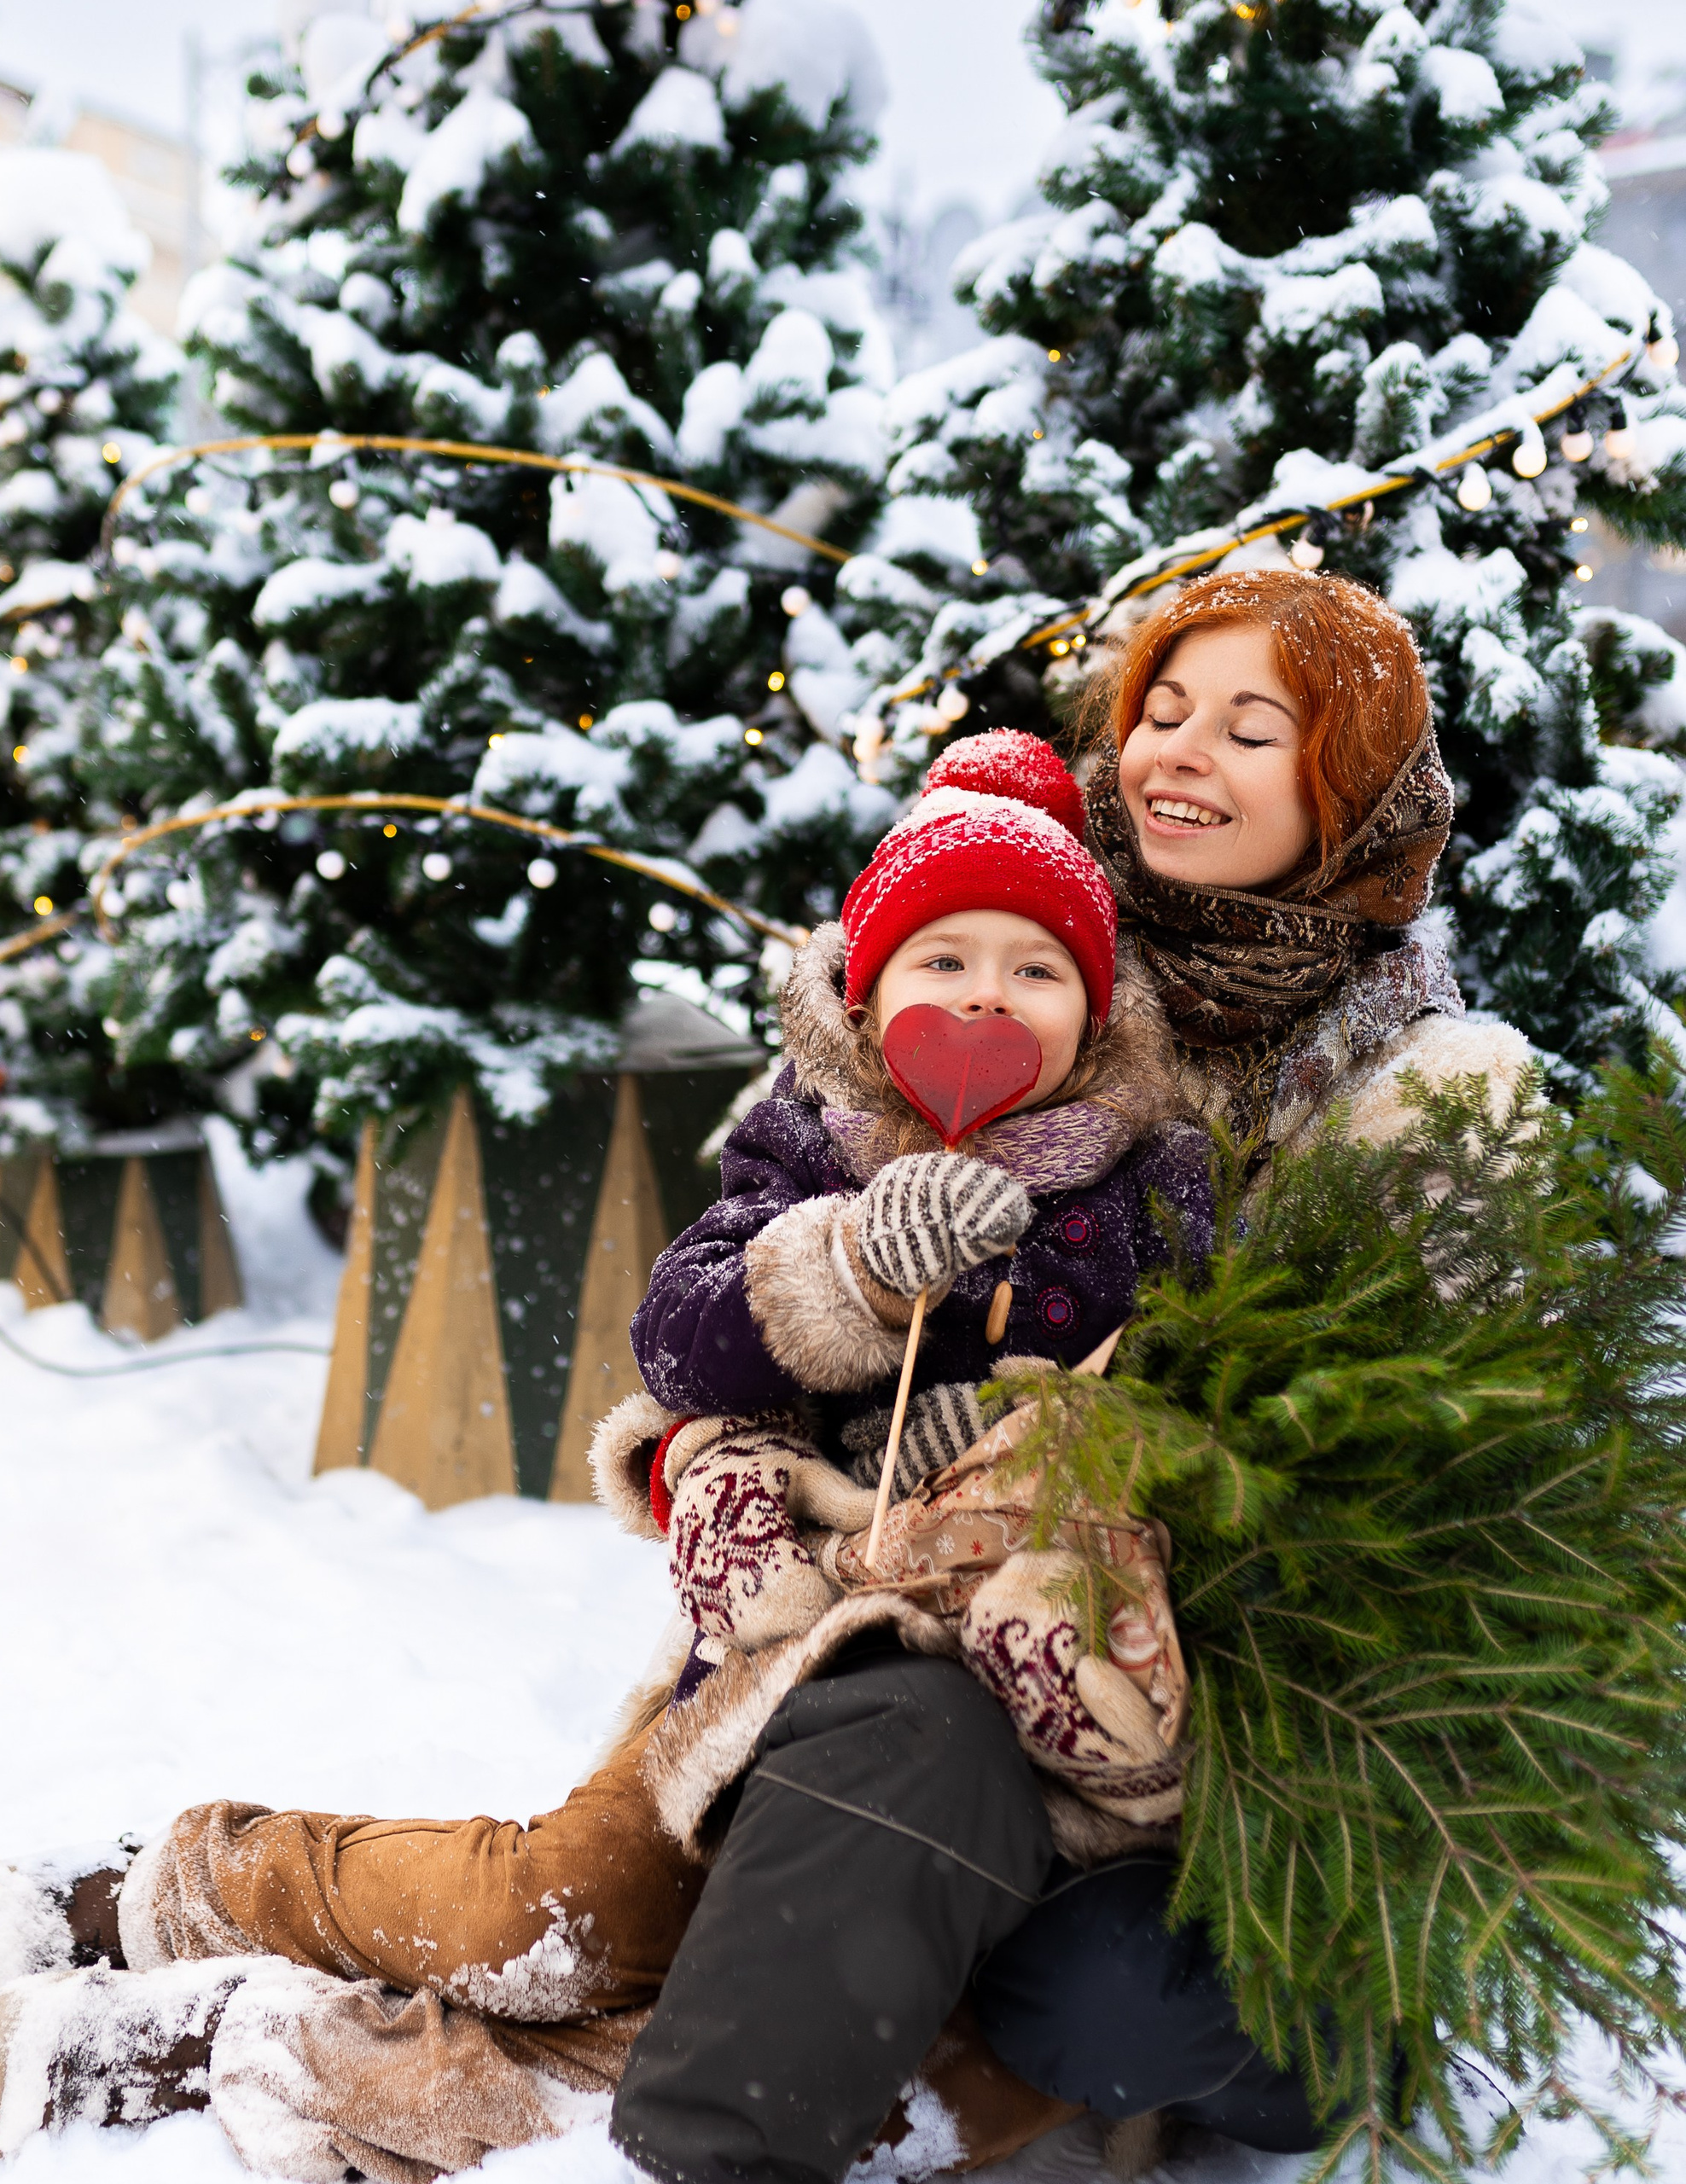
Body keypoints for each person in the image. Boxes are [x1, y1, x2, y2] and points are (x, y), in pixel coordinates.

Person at [0, 732, 1210, 2172]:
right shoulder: (810, 1142)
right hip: (769, 1668)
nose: (987, 995)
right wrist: (844, 1269)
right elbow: (683, 1338)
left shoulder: (1148, 1184)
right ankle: (189, 1885)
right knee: (570, 1911)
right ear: (866, 988)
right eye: (944, 960)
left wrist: (1044, 1428)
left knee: (823, 2045)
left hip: (1015, 1716)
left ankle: (246, 2044)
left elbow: (1187, 1393)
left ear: (1099, 1010)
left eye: (1037, 970)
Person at [609, 566, 1539, 2184]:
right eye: (1161, 710)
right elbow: (712, 1309)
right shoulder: (984, 938)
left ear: (1355, 794)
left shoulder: (1425, 1085)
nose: (1182, 753)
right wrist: (757, 1452)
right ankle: (212, 1902)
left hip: (1205, 1709)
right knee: (625, 1880)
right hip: (871, 1635)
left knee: (1109, 1996)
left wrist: (1089, 1442)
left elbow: (1391, 1477)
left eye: (1256, 730)